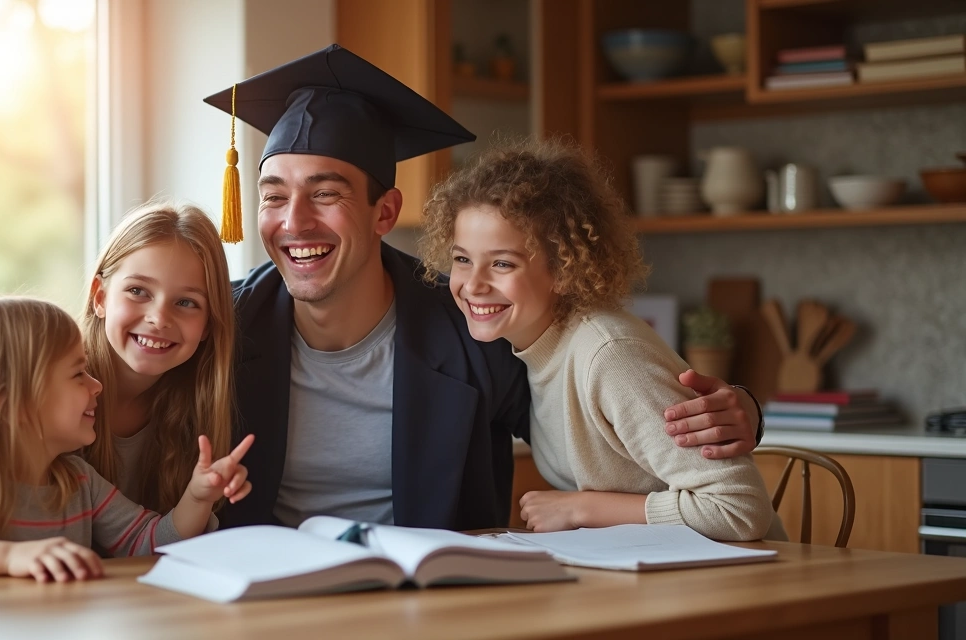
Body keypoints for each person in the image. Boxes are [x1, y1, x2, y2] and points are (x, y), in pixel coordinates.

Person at [202, 44, 764, 531]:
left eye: (326, 194)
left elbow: (595, 395)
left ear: (385, 213)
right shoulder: (221, 323)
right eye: (274, 195)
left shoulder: (474, 330)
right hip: (263, 596)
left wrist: (741, 410)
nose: (294, 222)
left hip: (434, 598)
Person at [418, 138, 785, 540]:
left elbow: (738, 508)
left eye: (502, 263)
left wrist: (581, 509)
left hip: (744, 572)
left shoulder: (609, 355)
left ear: (562, 270)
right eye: (462, 259)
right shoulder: (529, 350)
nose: (473, 284)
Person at [0, 296, 253, 581]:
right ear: (9, 402)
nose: (97, 385)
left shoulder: (78, 482)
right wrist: (11, 557)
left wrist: (197, 496)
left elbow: (150, 542)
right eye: (78, 374)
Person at [80, 203, 238, 513]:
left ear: (208, 324)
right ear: (100, 297)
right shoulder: (44, 390)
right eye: (138, 291)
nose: (159, 318)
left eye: (186, 302)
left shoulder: (196, 411)